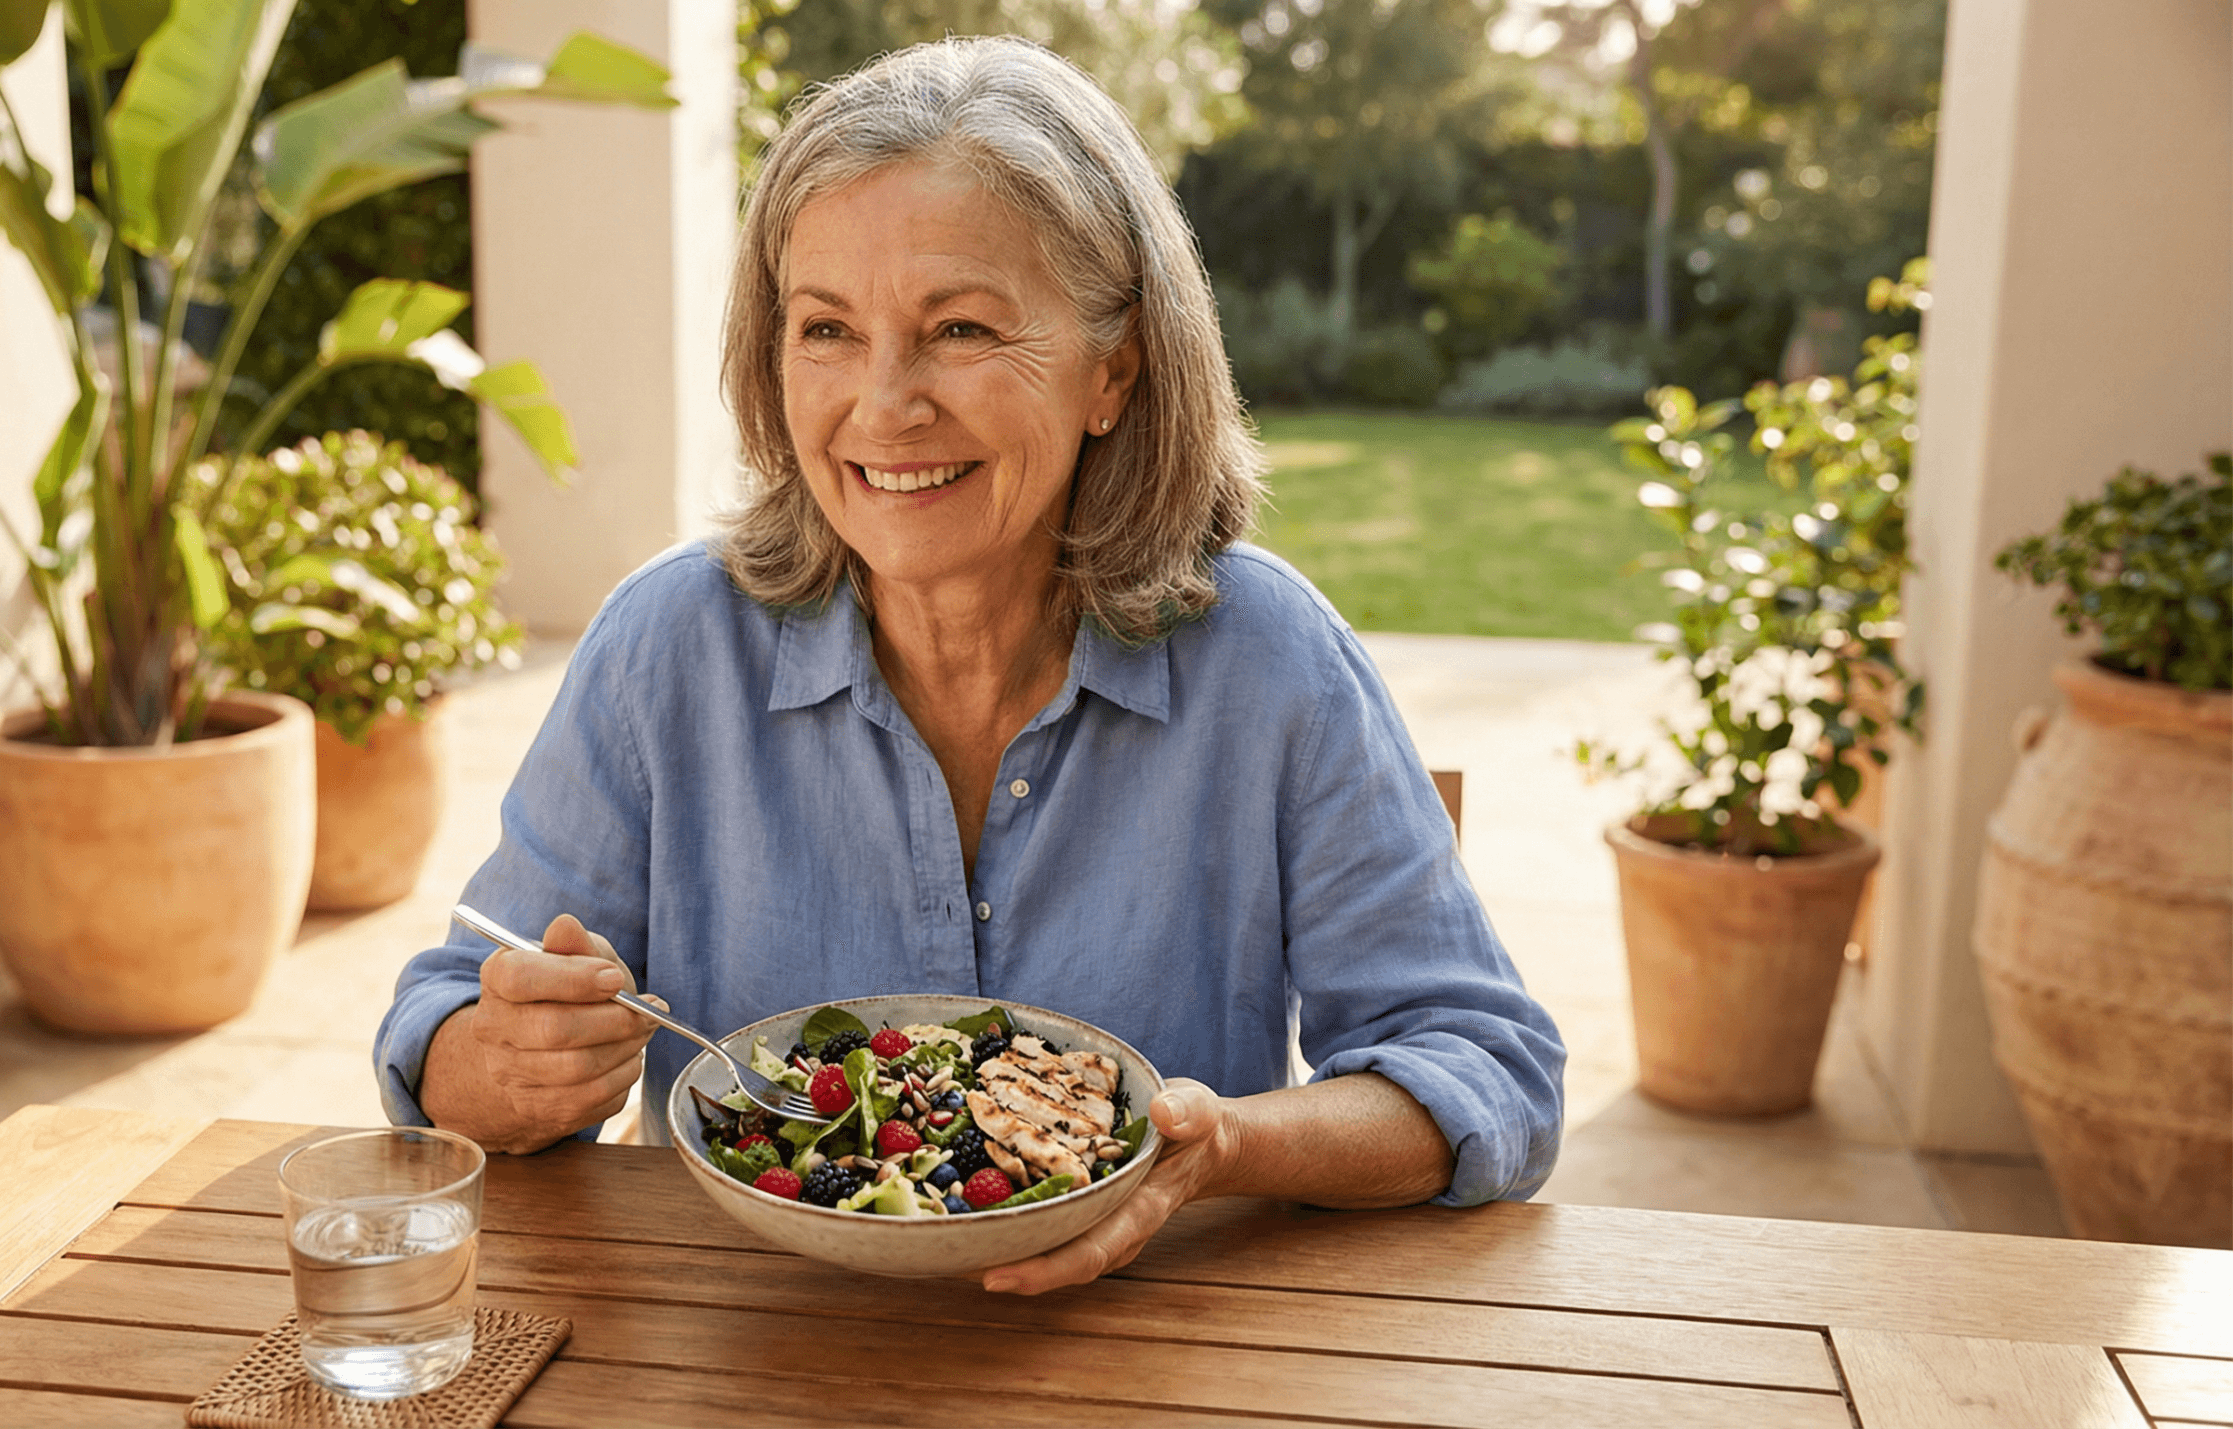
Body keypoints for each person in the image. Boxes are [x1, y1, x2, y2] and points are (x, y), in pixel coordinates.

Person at [376, 35, 1563, 1295]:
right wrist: (504, 1059)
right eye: (825, 328)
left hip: (1145, 1359)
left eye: (958, 329)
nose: (883, 404)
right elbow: (444, 1018)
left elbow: (1483, 1068)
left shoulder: (1266, 660)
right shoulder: (666, 647)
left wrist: (1223, 1148)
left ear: (1115, 368)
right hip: (741, 1354)